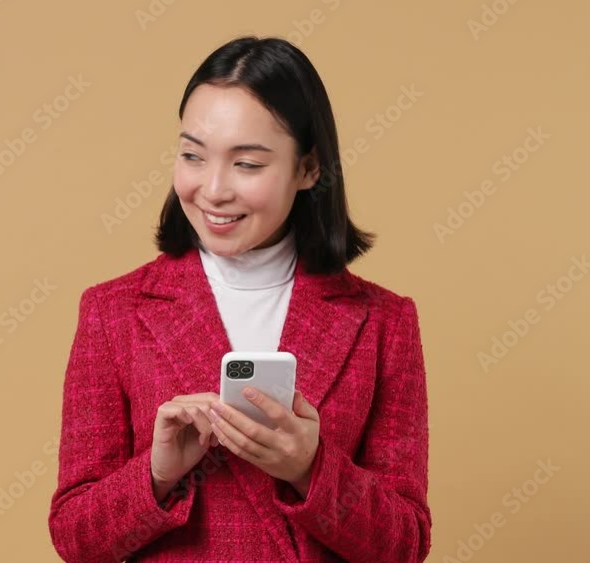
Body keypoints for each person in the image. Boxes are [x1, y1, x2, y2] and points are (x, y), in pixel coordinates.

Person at [48, 35, 431, 562]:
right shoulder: (114, 312)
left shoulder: (384, 321)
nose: (213, 189)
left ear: (309, 168)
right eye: (192, 156)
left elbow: (405, 545)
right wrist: (157, 475)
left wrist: (310, 469)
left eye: (247, 164)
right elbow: (76, 539)